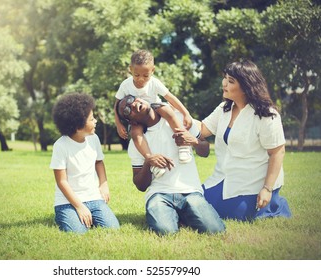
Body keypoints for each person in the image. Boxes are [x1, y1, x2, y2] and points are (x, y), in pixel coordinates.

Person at [174, 59, 291, 221]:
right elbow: (202, 129)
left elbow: (278, 152)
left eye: (230, 81)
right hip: (223, 178)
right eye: (225, 78)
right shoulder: (224, 109)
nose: (224, 84)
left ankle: (275, 204)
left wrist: (267, 189)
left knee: (216, 214)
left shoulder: (266, 115)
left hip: (252, 184)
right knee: (192, 204)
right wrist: (175, 114)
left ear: (246, 86)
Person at [117, 95, 226, 235]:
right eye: (126, 110)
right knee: (165, 232)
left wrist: (193, 141)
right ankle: (178, 215)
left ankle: (182, 214)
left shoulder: (178, 118)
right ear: (131, 121)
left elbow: (204, 151)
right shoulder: (137, 143)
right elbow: (140, 185)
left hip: (190, 191)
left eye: (131, 99)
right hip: (159, 194)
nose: (131, 105)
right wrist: (148, 162)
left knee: (215, 230)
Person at [114, 49, 193, 178]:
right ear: (130, 69)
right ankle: (151, 160)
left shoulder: (154, 83)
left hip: (154, 109)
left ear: (153, 71)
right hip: (137, 117)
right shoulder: (126, 85)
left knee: (167, 109)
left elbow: (170, 98)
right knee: (135, 133)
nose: (141, 79)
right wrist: (118, 124)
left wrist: (186, 113)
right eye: (136, 75)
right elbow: (116, 105)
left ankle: (183, 145)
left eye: (146, 76)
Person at [50, 92, 120, 233]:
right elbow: (61, 181)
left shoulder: (93, 139)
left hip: (93, 198)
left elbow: (98, 162)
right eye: (92, 119)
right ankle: (67, 216)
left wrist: (103, 184)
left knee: (113, 228)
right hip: (67, 202)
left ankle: (89, 216)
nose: (95, 121)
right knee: (78, 232)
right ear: (78, 125)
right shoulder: (61, 145)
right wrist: (79, 207)